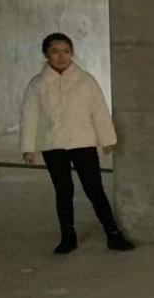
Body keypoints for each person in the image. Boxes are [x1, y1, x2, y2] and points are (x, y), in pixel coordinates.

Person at [20, 32, 134, 255]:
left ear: (72, 53)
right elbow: (29, 116)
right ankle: (68, 237)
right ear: (46, 54)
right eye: (55, 51)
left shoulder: (85, 81)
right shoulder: (37, 84)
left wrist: (107, 139)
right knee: (63, 191)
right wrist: (28, 148)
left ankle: (113, 234)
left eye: (66, 51)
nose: (61, 56)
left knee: (94, 189)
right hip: (54, 145)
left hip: (83, 143)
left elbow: (99, 111)